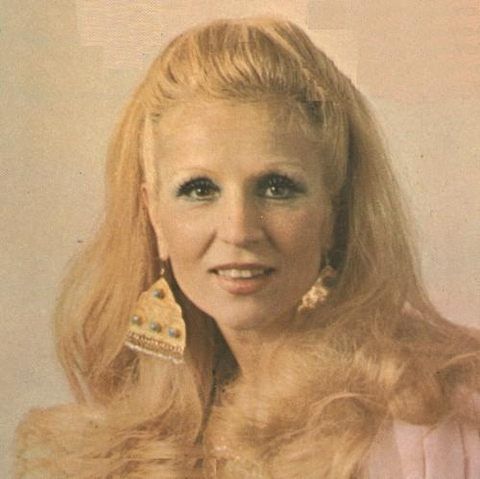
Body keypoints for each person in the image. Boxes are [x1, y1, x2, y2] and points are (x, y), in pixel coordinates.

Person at [15, 16, 480, 478]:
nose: (238, 230)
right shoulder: (146, 437)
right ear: (154, 216)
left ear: (333, 213)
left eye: (277, 187)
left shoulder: (433, 417)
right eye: (199, 189)